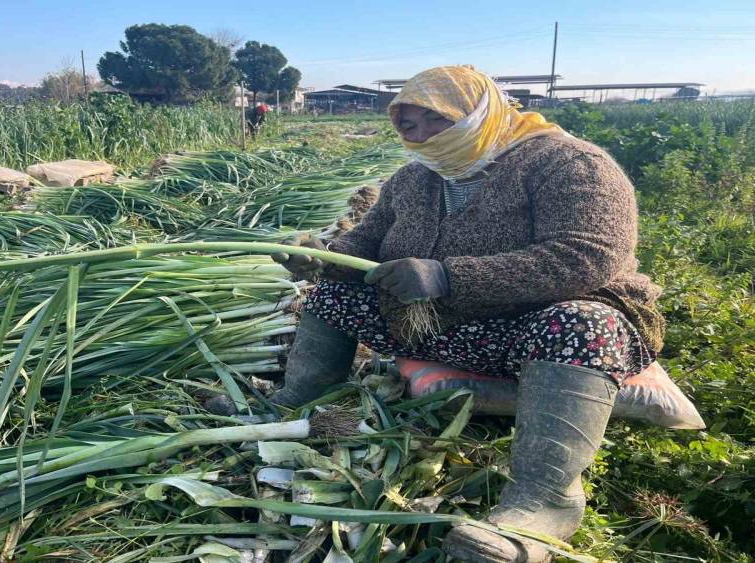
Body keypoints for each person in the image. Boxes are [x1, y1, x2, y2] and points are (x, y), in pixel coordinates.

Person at [209, 65, 664, 562]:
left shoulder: (568, 164)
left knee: (580, 323)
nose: (422, 134)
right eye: (409, 125)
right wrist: (321, 257)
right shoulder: (415, 178)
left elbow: (589, 256)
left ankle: (545, 501)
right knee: (334, 297)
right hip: (438, 327)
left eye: (437, 119)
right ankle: (296, 404)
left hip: (537, 333)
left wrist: (449, 275)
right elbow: (365, 242)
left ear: (480, 112)